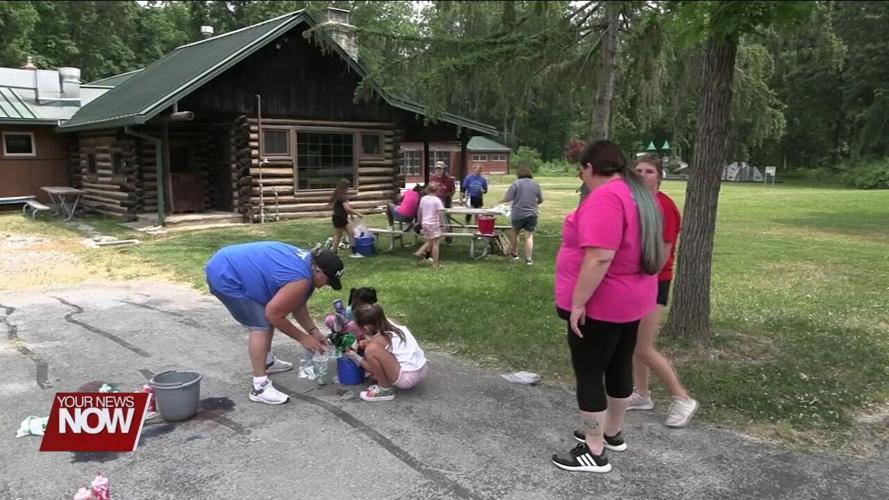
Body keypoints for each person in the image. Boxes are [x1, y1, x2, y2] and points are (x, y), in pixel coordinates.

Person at [551, 140, 665, 473]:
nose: (582, 177)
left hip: (603, 303)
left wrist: (578, 303)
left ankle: (594, 449)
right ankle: (612, 432)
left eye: (581, 171)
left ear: (589, 168)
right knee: (618, 366)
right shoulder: (637, 193)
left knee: (589, 373)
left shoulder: (606, 197)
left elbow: (600, 256)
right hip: (633, 298)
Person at [205, 243, 344, 405]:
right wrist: (303, 338)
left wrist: (313, 331)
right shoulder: (301, 278)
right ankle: (259, 388)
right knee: (261, 325)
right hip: (225, 274)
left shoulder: (308, 268)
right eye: (328, 280)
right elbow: (274, 316)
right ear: (318, 270)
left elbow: (298, 305)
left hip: (228, 263)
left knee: (269, 312)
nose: (326, 285)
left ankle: (267, 361)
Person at [630, 154, 699, 427]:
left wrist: (644, 274)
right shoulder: (636, 203)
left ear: (659, 176)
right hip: (635, 280)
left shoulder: (664, 206)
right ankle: (642, 395)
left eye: (649, 171)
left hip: (655, 281)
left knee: (644, 347)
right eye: (638, 170)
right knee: (634, 345)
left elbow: (663, 252)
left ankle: (682, 397)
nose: (642, 174)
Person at [343, 303, 428, 402]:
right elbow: (389, 345)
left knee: (371, 350)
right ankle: (386, 381)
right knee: (373, 347)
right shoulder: (390, 323)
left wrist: (355, 357)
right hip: (421, 368)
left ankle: (384, 389)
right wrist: (370, 341)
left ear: (366, 328)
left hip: (407, 377)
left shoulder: (379, 339)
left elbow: (372, 369)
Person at [503, 166, 543, 265]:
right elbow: (541, 199)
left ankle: (515, 254)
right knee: (529, 236)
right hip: (532, 213)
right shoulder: (535, 184)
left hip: (518, 213)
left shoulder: (516, 183)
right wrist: (533, 204)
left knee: (515, 233)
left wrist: (501, 201)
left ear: (519, 174)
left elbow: (508, 198)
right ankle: (529, 259)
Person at [329, 178, 365, 259]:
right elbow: (347, 208)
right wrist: (357, 213)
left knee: (351, 233)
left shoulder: (341, 195)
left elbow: (347, 209)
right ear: (344, 187)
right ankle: (334, 254)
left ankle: (354, 253)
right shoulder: (341, 196)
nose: (348, 188)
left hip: (342, 218)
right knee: (338, 236)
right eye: (347, 186)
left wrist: (351, 215)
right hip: (338, 218)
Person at [414, 183, 444, 267]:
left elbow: (419, 210)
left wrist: (419, 221)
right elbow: (440, 213)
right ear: (437, 190)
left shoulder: (423, 199)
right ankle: (435, 263)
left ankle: (423, 254)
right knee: (435, 243)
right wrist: (441, 224)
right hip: (433, 223)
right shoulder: (437, 200)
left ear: (427, 190)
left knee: (430, 240)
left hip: (424, 223)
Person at [429, 161, 455, 242]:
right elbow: (430, 188)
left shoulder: (449, 179)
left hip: (446, 200)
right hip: (435, 201)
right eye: (437, 169)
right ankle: (435, 236)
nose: (438, 170)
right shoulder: (432, 178)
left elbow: (453, 190)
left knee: (447, 219)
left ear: (444, 169)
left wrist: (447, 195)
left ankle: (449, 237)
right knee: (436, 219)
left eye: (440, 169)